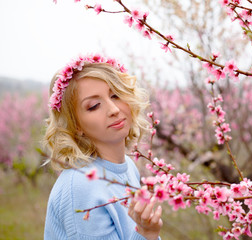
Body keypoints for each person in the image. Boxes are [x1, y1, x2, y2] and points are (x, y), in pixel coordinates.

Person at [43, 54, 163, 240]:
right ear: (76, 125)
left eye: (116, 95)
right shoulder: (81, 187)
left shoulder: (129, 167)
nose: (114, 110)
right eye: (94, 106)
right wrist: (146, 234)